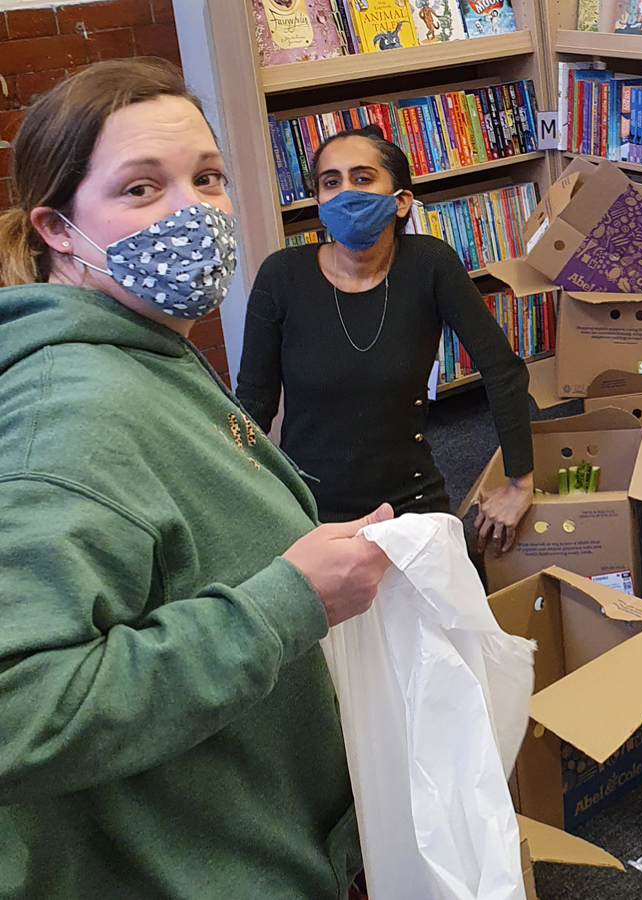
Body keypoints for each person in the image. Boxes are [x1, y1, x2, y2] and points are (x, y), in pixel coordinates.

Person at [0, 59, 393, 898]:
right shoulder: (69, 417)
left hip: (242, 822)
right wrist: (292, 600)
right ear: (59, 229)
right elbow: (17, 712)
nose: (195, 212)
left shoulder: (148, 349)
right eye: (142, 189)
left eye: (207, 177)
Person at [237, 125, 534, 556]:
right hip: (309, 506)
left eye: (362, 178)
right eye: (330, 182)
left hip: (410, 500)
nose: (346, 194)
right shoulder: (282, 275)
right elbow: (253, 402)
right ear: (319, 202)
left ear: (401, 201)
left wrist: (519, 482)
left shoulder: (430, 264)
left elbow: (501, 369)